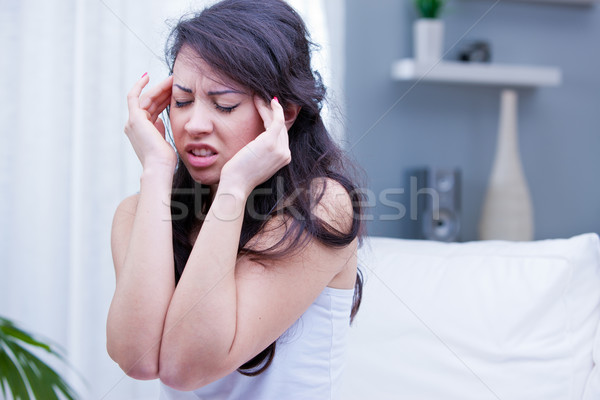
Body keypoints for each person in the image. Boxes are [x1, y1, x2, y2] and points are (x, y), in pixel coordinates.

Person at [106, 0, 364, 398]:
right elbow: (138, 361)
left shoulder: (321, 206)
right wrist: (156, 170)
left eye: (225, 104)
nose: (194, 125)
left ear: (285, 114)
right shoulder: (137, 213)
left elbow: (183, 368)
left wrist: (234, 187)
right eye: (182, 100)